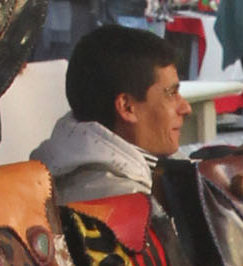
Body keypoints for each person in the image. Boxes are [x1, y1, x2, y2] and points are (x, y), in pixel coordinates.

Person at [32, 22, 187, 203]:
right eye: (171, 93)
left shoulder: (60, 168)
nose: (185, 108)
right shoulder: (123, 202)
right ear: (127, 107)